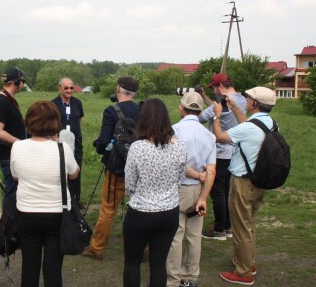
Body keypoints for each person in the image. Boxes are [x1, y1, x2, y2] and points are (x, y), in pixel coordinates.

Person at [212, 87, 277, 286]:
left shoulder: (249, 127)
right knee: (249, 224)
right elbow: (248, 125)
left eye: (248, 98)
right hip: (259, 180)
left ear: (255, 104)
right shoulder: (271, 123)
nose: (245, 100)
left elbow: (221, 137)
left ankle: (243, 273)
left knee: (240, 227)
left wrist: (216, 117)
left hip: (243, 182)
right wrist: (233, 108)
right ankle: (248, 261)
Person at [10, 101, 80, 287]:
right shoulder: (61, 148)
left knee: (29, 263)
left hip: (26, 211)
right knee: (53, 266)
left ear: (29, 122)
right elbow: (74, 174)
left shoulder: (17, 146)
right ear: (55, 122)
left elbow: (15, 176)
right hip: (56, 212)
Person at [122, 98, 186, 287]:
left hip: (140, 212)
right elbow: (179, 180)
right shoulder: (180, 147)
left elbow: (129, 184)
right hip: (169, 212)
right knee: (158, 264)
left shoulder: (137, 148)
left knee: (132, 263)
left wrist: (141, 193)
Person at [82, 76, 140, 260]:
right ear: (135, 93)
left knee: (108, 209)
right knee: (142, 208)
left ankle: (97, 248)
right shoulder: (141, 110)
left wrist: (98, 145)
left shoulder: (111, 111)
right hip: (140, 167)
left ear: (118, 89)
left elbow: (103, 142)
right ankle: (144, 249)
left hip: (117, 168)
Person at [167, 92, 216, 287]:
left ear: (181, 108)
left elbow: (173, 163)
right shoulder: (209, 135)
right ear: (201, 111)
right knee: (195, 235)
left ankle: (172, 279)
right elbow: (211, 170)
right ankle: (190, 278)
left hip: (178, 188)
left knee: (176, 235)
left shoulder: (174, 131)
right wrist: (204, 196)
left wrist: (192, 174)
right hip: (199, 189)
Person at [198, 73, 247, 240]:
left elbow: (200, 118)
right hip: (235, 152)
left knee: (217, 191)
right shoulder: (241, 100)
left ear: (221, 86)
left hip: (219, 152)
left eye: (214, 88)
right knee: (226, 191)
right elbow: (217, 107)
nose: (214, 91)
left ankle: (219, 230)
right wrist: (204, 97)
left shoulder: (220, 103)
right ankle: (228, 226)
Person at [0, 67, 27, 208]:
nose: (23, 84)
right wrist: (21, 143)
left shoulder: (9, 99)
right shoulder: (1, 101)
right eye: (22, 81)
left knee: (15, 190)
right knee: (12, 191)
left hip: (13, 153)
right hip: (8, 154)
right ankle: (7, 225)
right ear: (16, 82)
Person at [51, 78, 84, 206]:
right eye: (66, 88)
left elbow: (79, 119)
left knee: (76, 170)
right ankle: (61, 199)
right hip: (58, 143)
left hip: (76, 143)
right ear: (60, 88)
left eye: (71, 88)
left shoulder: (77, 103)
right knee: (60, 172)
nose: (69, 90)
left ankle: (75, 199)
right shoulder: (53, 104)